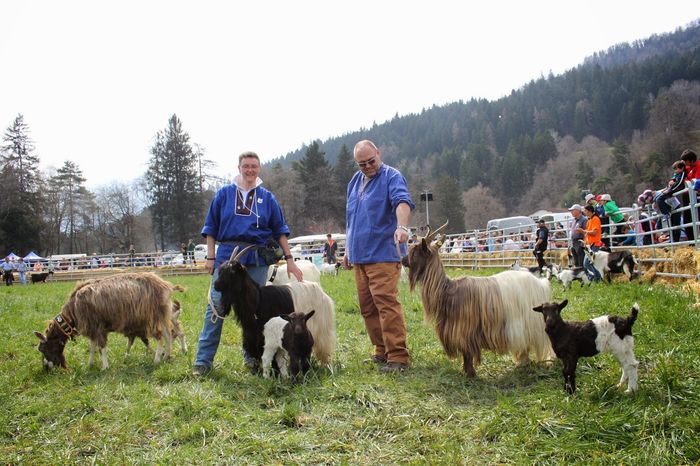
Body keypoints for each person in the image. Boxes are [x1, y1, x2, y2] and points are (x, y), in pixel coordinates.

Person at [193, 150, 302, 376]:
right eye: (246, 166)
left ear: (259, 168)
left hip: (257, 258)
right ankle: (203, 362)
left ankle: (253, 358)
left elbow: (280, 230)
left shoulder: (267, 198)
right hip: (226, 258)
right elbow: (211, 228)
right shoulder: (224, 194)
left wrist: (290, 259)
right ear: (239, 167)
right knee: (215, 307)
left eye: (254, 166)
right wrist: (211, 257)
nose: (250, 170)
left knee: (254, 313)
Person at [344, 140, 414, 373]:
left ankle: (398, 355)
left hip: (383, 253)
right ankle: (381, 350)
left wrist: (402, 227)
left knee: (385, 304)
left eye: (371, 161)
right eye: (361, 164)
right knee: (367, 307)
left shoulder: (391, 177)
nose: (367, 167)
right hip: (360, 257)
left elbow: (402, 203)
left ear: (378, 154)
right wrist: (347, 249)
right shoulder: (354, 182)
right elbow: (351, 219)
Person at [578, 205, 603, 282]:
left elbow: (594, 232)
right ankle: (596, 278)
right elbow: (588, 233)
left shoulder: (595, 219)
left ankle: (597, 278)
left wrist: (583, 231)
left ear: (589, 211)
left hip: (595, 244)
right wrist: (585, 241)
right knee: (588, 263)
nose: (584, 212)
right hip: (590, 245)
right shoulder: (589, 220)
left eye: (585, 211)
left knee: (587, 263)